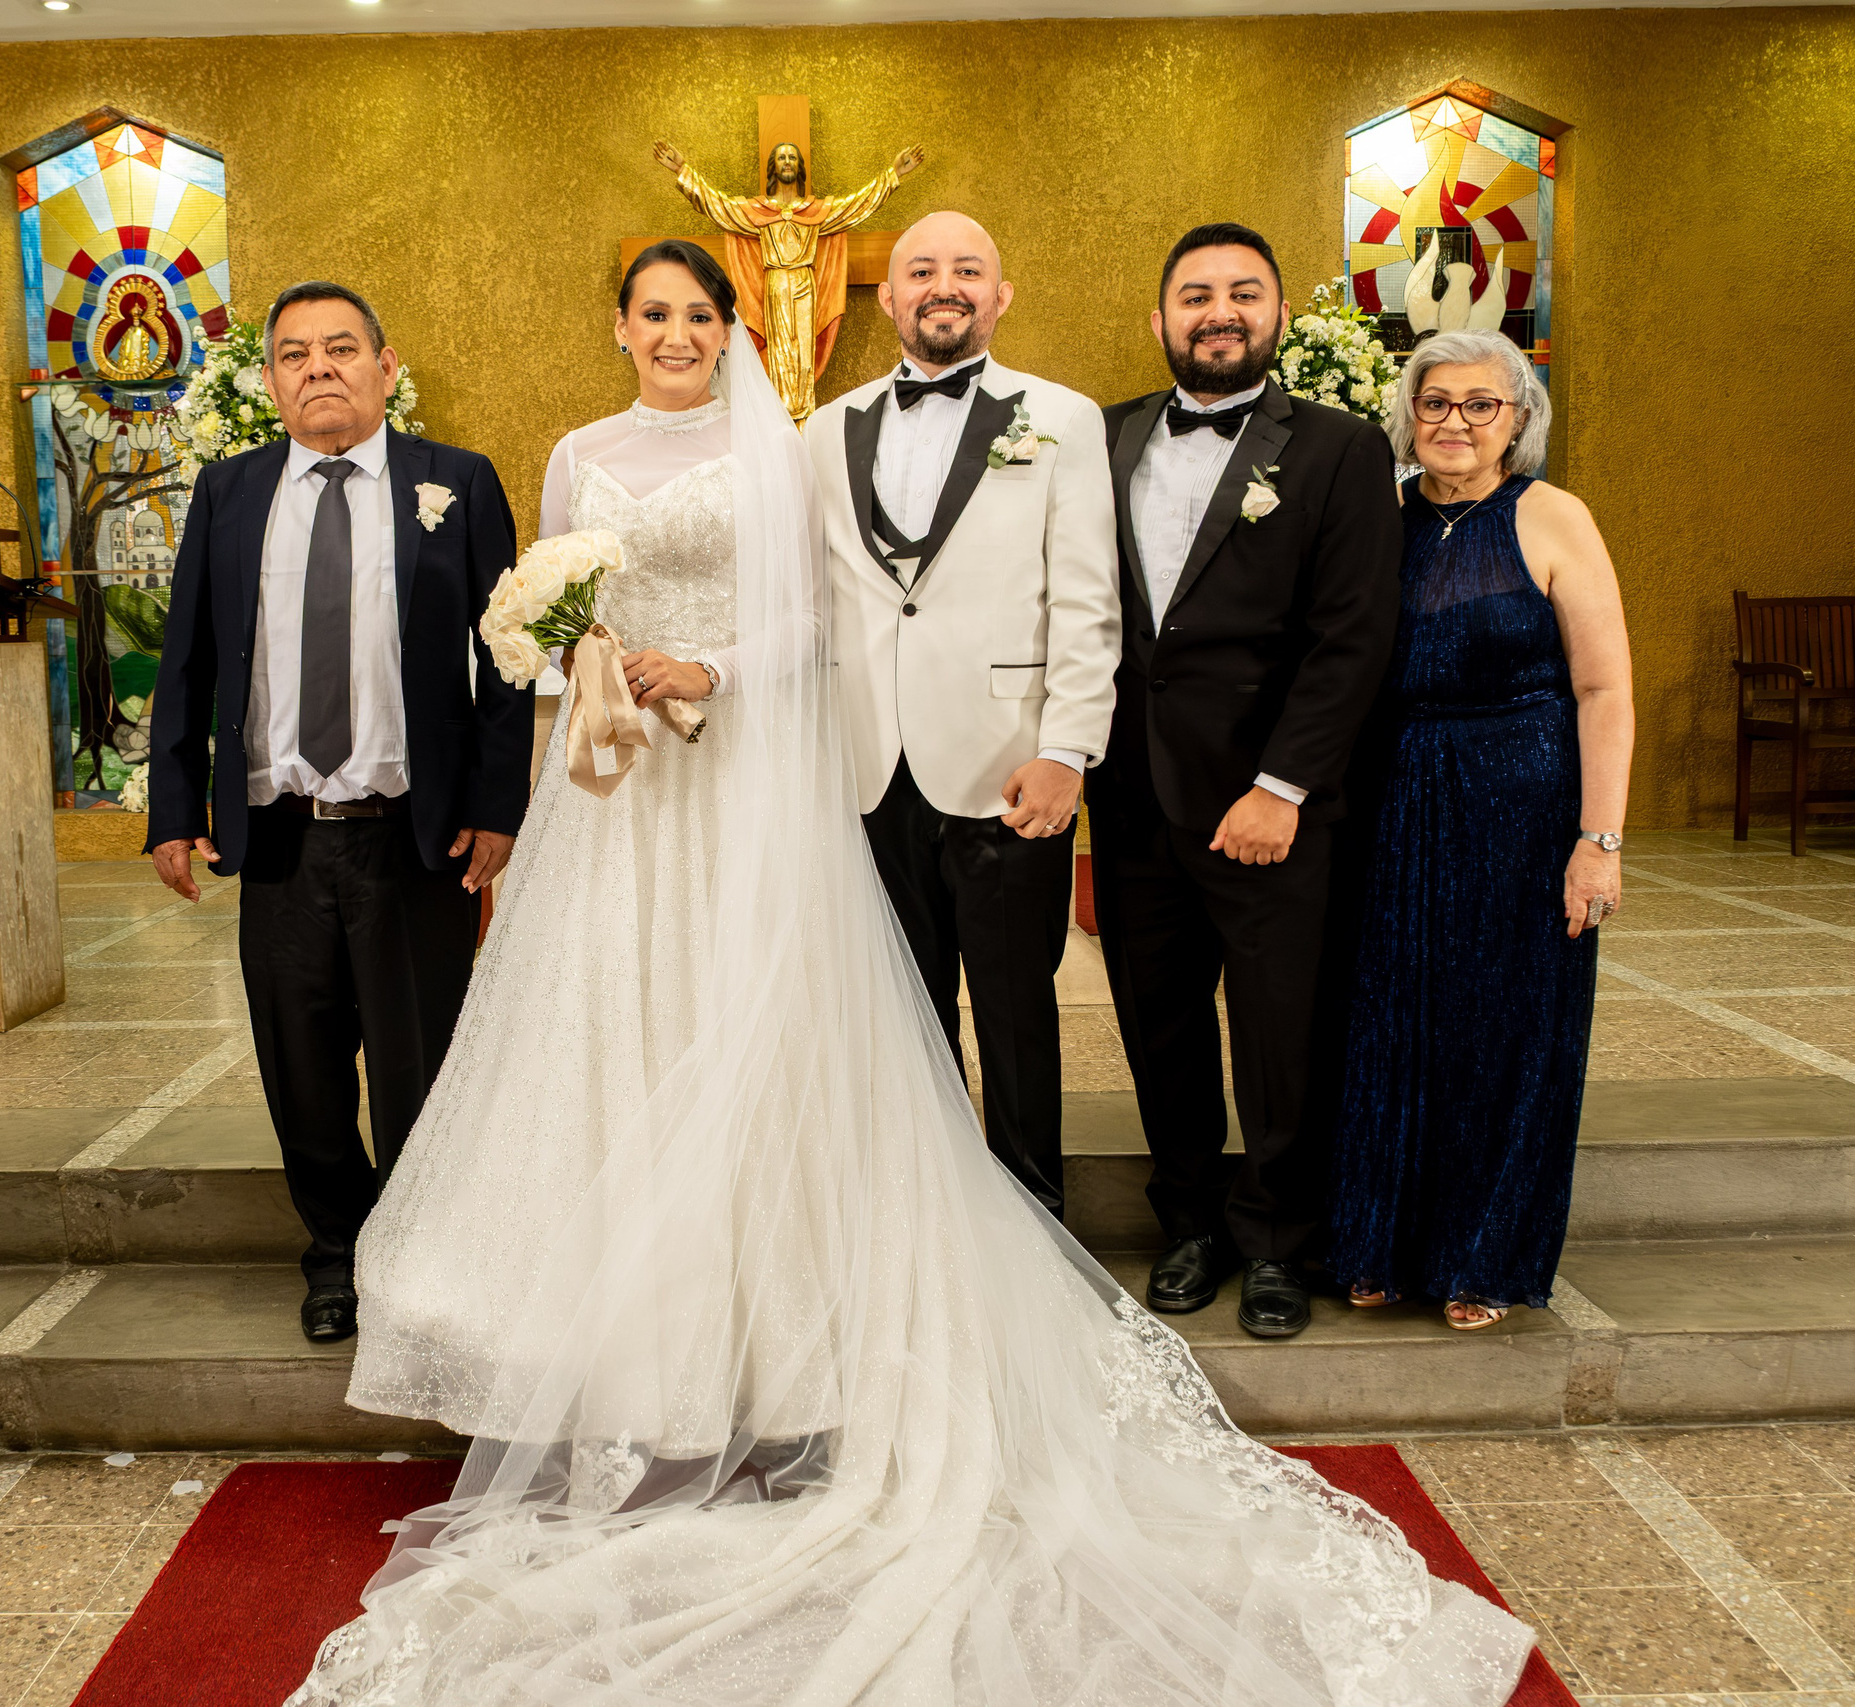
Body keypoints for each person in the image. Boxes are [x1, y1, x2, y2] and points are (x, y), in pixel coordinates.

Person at [286, 242, 1530, 1707]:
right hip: (637, 796)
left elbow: (832, 615)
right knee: (616, 1031)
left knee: (895, 1030)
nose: (677, 333)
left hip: (794, 773)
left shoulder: (900, 435)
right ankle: (622, 1334)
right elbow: (568, 625)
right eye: (653, 313)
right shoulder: (635, 447)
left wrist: (735, 677)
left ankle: (1116, 1238)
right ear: (618, 324)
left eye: (700, 314)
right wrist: (592, 664)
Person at [144, 280, 531, 1345]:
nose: (319, 368)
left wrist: (500, 807)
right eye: (296, 354)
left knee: (422, 1068)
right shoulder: (227, 493)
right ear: (269, 380)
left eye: (341, 349)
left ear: (385, 367)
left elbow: (510, 658)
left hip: (412, 835)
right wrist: (174, 807)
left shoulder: (454, 483)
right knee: (301, 1072)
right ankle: (334, 1255)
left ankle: (419, 1258)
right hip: (277, 837)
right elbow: (186, 661)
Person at [1089, 223, 1403, 1337]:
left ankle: (1278, 1238)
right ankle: (1190, 1219)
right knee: (1157, 1022)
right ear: (1161, 316)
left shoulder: (1337, 447)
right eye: (1193, 295)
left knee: (1280, 1026)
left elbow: (1352, 637)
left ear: (1273, 313)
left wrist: (1283, 786)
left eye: (1241, 293)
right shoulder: (1104, 437)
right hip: (1129, 796)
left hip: (1267, 801)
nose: (1216, 312)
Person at [805, 210, 1121, 1222]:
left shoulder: (1062, 419)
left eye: (968, 270)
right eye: (921, 271)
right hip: (866, 764)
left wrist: (1067, 748)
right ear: (887, 297)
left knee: (1017, 1007)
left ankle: (1033, 1216)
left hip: (1006, 762)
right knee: (901, 1010)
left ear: (1000, 295)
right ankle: (928, 1214)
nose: (945, 286)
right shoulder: (823, 430)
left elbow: (1085, 597)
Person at [1326, 328, 1633, 1330]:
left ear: (1518, 419)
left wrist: (1599, 839)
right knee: (1387, 1024)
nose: (1453, 420)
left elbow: (1603, 688)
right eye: (1434, 402)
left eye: (1478, 404)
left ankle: (1484, 1259)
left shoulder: (1553, 517)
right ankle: (1379, 1242)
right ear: (1407, 415)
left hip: (1525, 811)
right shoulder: (1379, 516)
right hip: (1391, 803)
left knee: (1507, 1032)